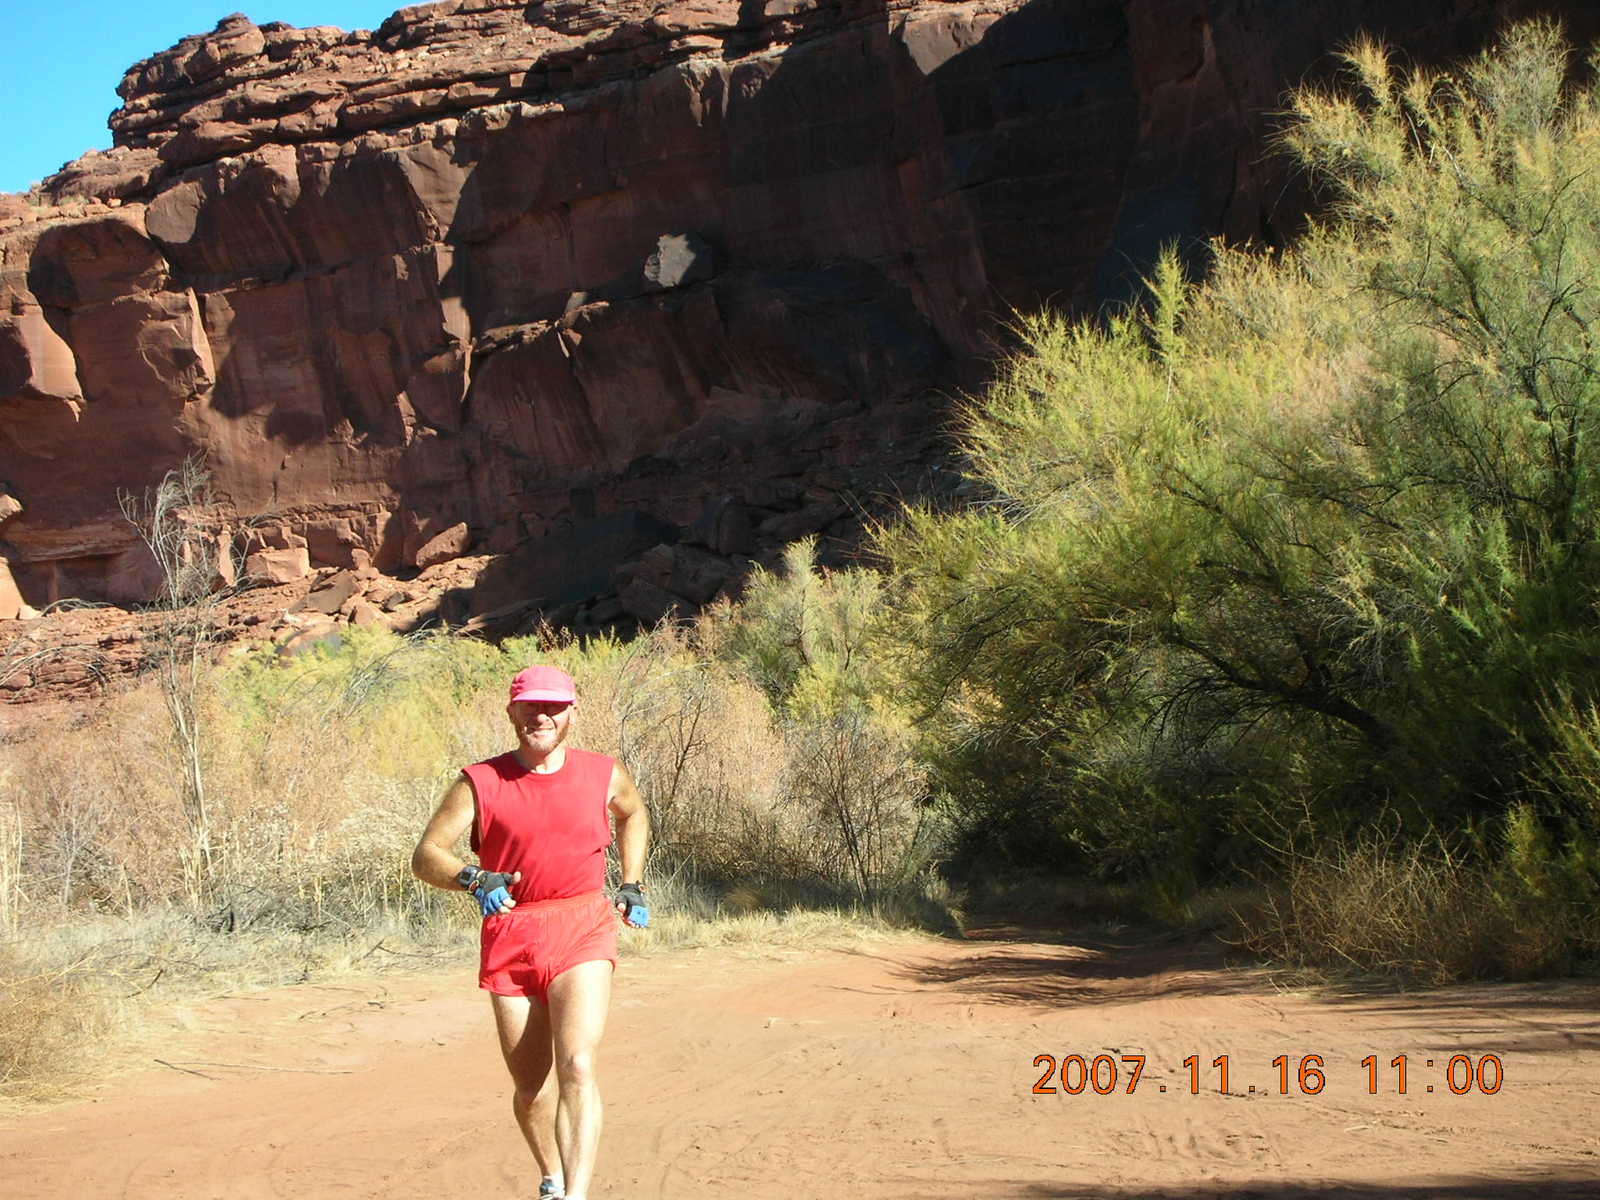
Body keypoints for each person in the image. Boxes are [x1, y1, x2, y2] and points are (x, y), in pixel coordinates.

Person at [412, 664, 650, 1200]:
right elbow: (426, 856)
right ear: (512, 712)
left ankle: (576, 1195)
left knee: (578, 1066)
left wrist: (631, 883)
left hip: (582, 925)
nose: (542, 716)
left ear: (572, 714)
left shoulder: (603, 773)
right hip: (512, 935)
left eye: (554, 707)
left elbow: (633, 814)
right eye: (531, 706)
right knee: (530, 1089)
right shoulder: (480, 782)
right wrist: (473, 878)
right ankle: (552, 1176)